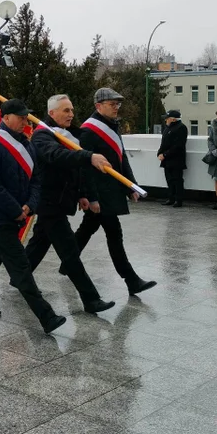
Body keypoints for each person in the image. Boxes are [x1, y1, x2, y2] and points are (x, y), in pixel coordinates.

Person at [0, 98, 67, 334]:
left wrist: (29, 206)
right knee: (20, 267)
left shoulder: (27, 144)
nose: (24, 121)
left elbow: (36, 180)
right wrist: (15, 210)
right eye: (20, 117)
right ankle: (47, 316)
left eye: (26, 117)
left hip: (18, 213)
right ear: (6, 118)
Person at [24, 95, 117, 312]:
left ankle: (19, 277)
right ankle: (91, 299)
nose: (71, 115)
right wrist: (89, 157)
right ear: (52, 113)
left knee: (38, 244)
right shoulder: (42, 136)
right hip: (50, 203)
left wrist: (82, 194)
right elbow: (58, 157)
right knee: (70, 253)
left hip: (58, 201)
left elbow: (72, 170)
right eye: (66, 110)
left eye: (72, 110)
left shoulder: (65, 135)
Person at [74, 88, 157, 295]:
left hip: (111, 191)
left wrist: (131, 186)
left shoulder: (112, 126)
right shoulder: (88, 131)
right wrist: (90, 196)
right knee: (114, 233)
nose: (116, 108)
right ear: (98, 106)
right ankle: (131, 280)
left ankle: (67, 264)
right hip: (100, 194)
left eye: (117, 104)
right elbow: (83, 168)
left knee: (87, 230)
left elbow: (121, 159)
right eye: (112, 104)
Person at [157, 109, 188, 207]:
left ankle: (178, 200)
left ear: (173, 119)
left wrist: (165, 154)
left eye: (167, 118)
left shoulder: (181, 128)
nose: (166, 120)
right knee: (169, 179)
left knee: (177, 180)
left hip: (176, 159)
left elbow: (178, 145)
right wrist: (159, 153)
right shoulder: (167, 128)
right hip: (166, 160)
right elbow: (164, 143)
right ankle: (171, 198)